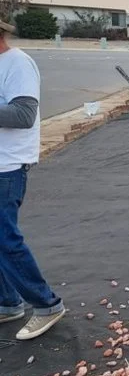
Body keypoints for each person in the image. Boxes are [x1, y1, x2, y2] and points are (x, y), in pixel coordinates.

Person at [0, 18, 65, 340]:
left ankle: (46, 305)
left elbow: (24, 115)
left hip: (7, 167)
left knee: (5, 240)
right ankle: (8, 303)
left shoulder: (17, 64)